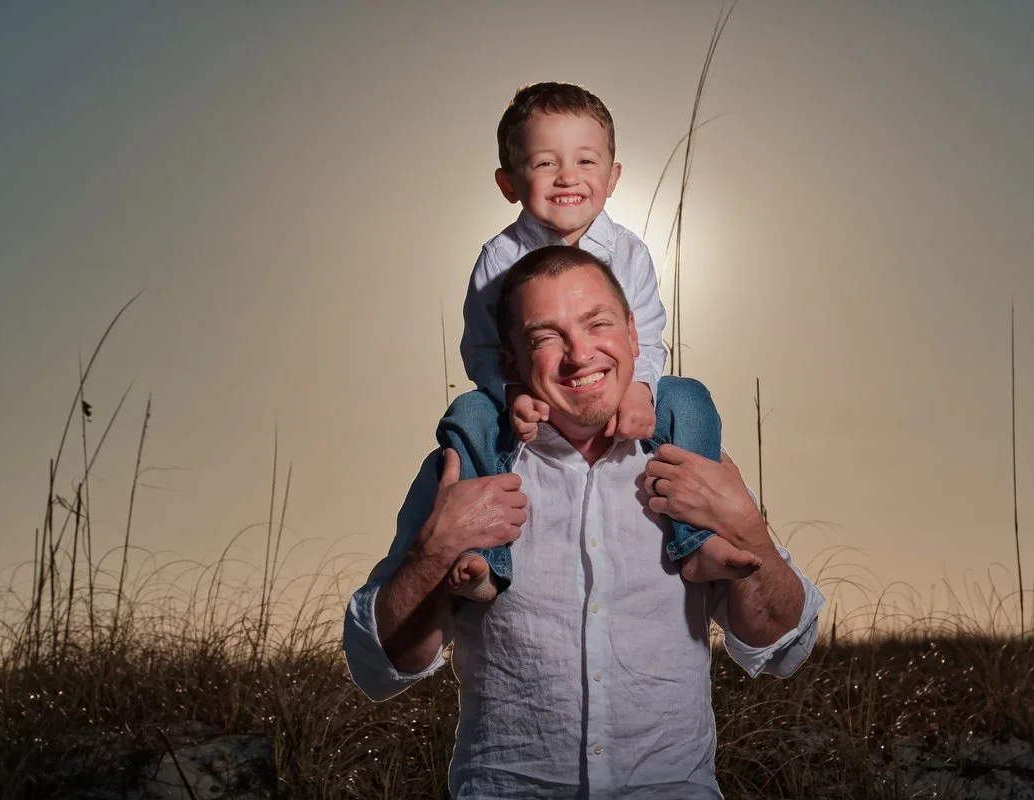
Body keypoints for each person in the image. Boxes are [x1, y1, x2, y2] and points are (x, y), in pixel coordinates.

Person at [344, 245, 826, 799]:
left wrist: (749, 531)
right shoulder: (467, 466)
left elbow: (784, 646)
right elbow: (377, 667)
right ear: (511, 363)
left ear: (634, 336)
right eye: (545, 338)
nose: (579, 354)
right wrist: (434, 551)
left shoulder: (691, 458)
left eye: (598, 324)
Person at [444, 81, 755, 603]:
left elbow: (648, 336)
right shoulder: (497, 260)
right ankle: (483, 560)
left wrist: (642, 389)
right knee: (468, 414)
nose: (567, 176)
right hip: (534, 394)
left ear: (612, 177)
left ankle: (699, 540)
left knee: (689, 398)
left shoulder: (630, 254)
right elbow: (479, 348)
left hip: (615, 387)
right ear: (508, 183)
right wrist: (510, 391)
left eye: (586, 161)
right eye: (545, 163)